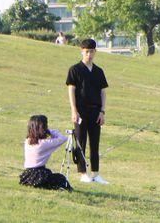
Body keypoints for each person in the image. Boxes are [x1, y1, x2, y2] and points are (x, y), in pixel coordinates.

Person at [66, 38, 110, 185]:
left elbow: (103, 92)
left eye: (91, 52)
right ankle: (83, 173)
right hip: (80, 111)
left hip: (95, 111)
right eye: (86, 52)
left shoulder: (98, 71)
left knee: (95, 143)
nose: (89, 55)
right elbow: (71, 90)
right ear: (82, 52)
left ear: (95, 52)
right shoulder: (75, 70)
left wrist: (102, 111)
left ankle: (96, 173)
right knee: (81, 142)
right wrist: (74, 110)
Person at [20, 115, 73, 191]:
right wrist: (50, 131)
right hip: (39, 175)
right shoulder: (44, 144)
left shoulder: (28, 141)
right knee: (61, 178)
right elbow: (63, 138)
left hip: (28, 175)